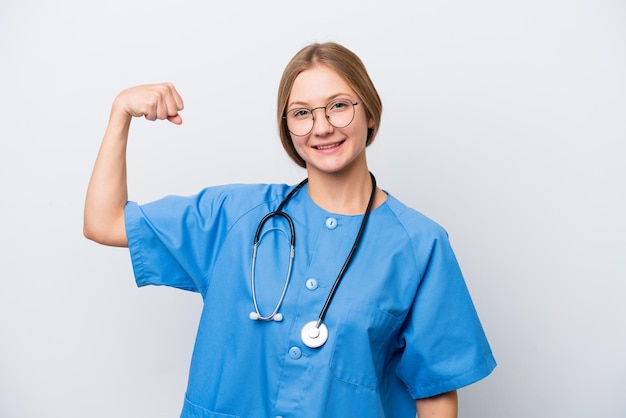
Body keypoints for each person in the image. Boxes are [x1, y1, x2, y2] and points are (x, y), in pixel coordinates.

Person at [84, 42, 496, 418]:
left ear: (370, 112)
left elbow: (436, 393)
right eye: (302, 113)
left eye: (338, 106)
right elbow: (104, 223)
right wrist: (120, 113)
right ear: (288, 128)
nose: (321, 127)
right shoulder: (235, 216)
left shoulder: (420, 246)